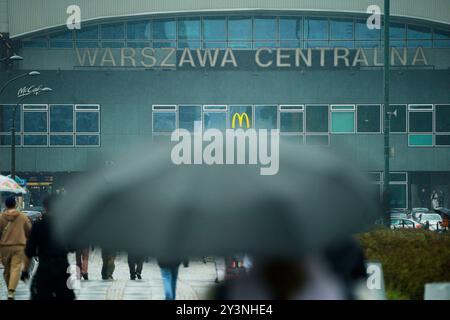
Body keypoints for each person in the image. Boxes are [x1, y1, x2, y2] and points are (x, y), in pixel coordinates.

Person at [22, 195, 75, 300]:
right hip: (62, 269)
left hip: (44, 270)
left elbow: (29, 251)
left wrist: (25, 271)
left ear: (45, 207)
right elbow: (72, 247)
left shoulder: (38, 226)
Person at [0, 196, 32, 300]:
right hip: (19, 246)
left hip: (4, 248)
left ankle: (10, 288)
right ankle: (11, 290)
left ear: (6, 205)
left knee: (7, 269)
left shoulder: (1, 217)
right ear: (15, 204)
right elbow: (29, 230)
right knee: (15, 268)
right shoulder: (22, 217)